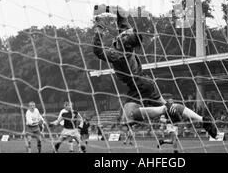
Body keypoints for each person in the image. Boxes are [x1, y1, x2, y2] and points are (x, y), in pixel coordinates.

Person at [92, 10, 217, 138]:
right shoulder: (124, 44)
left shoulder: (119, 54)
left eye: (126, 34)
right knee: (165, 108)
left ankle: (165, 109)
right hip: (143, 83)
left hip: (139, 84)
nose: (124, 32)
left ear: (125, 41)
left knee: (128, 117)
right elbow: (123, 20)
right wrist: (113, 10)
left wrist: (99, 29)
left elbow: (97, 50)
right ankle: (203, 120)